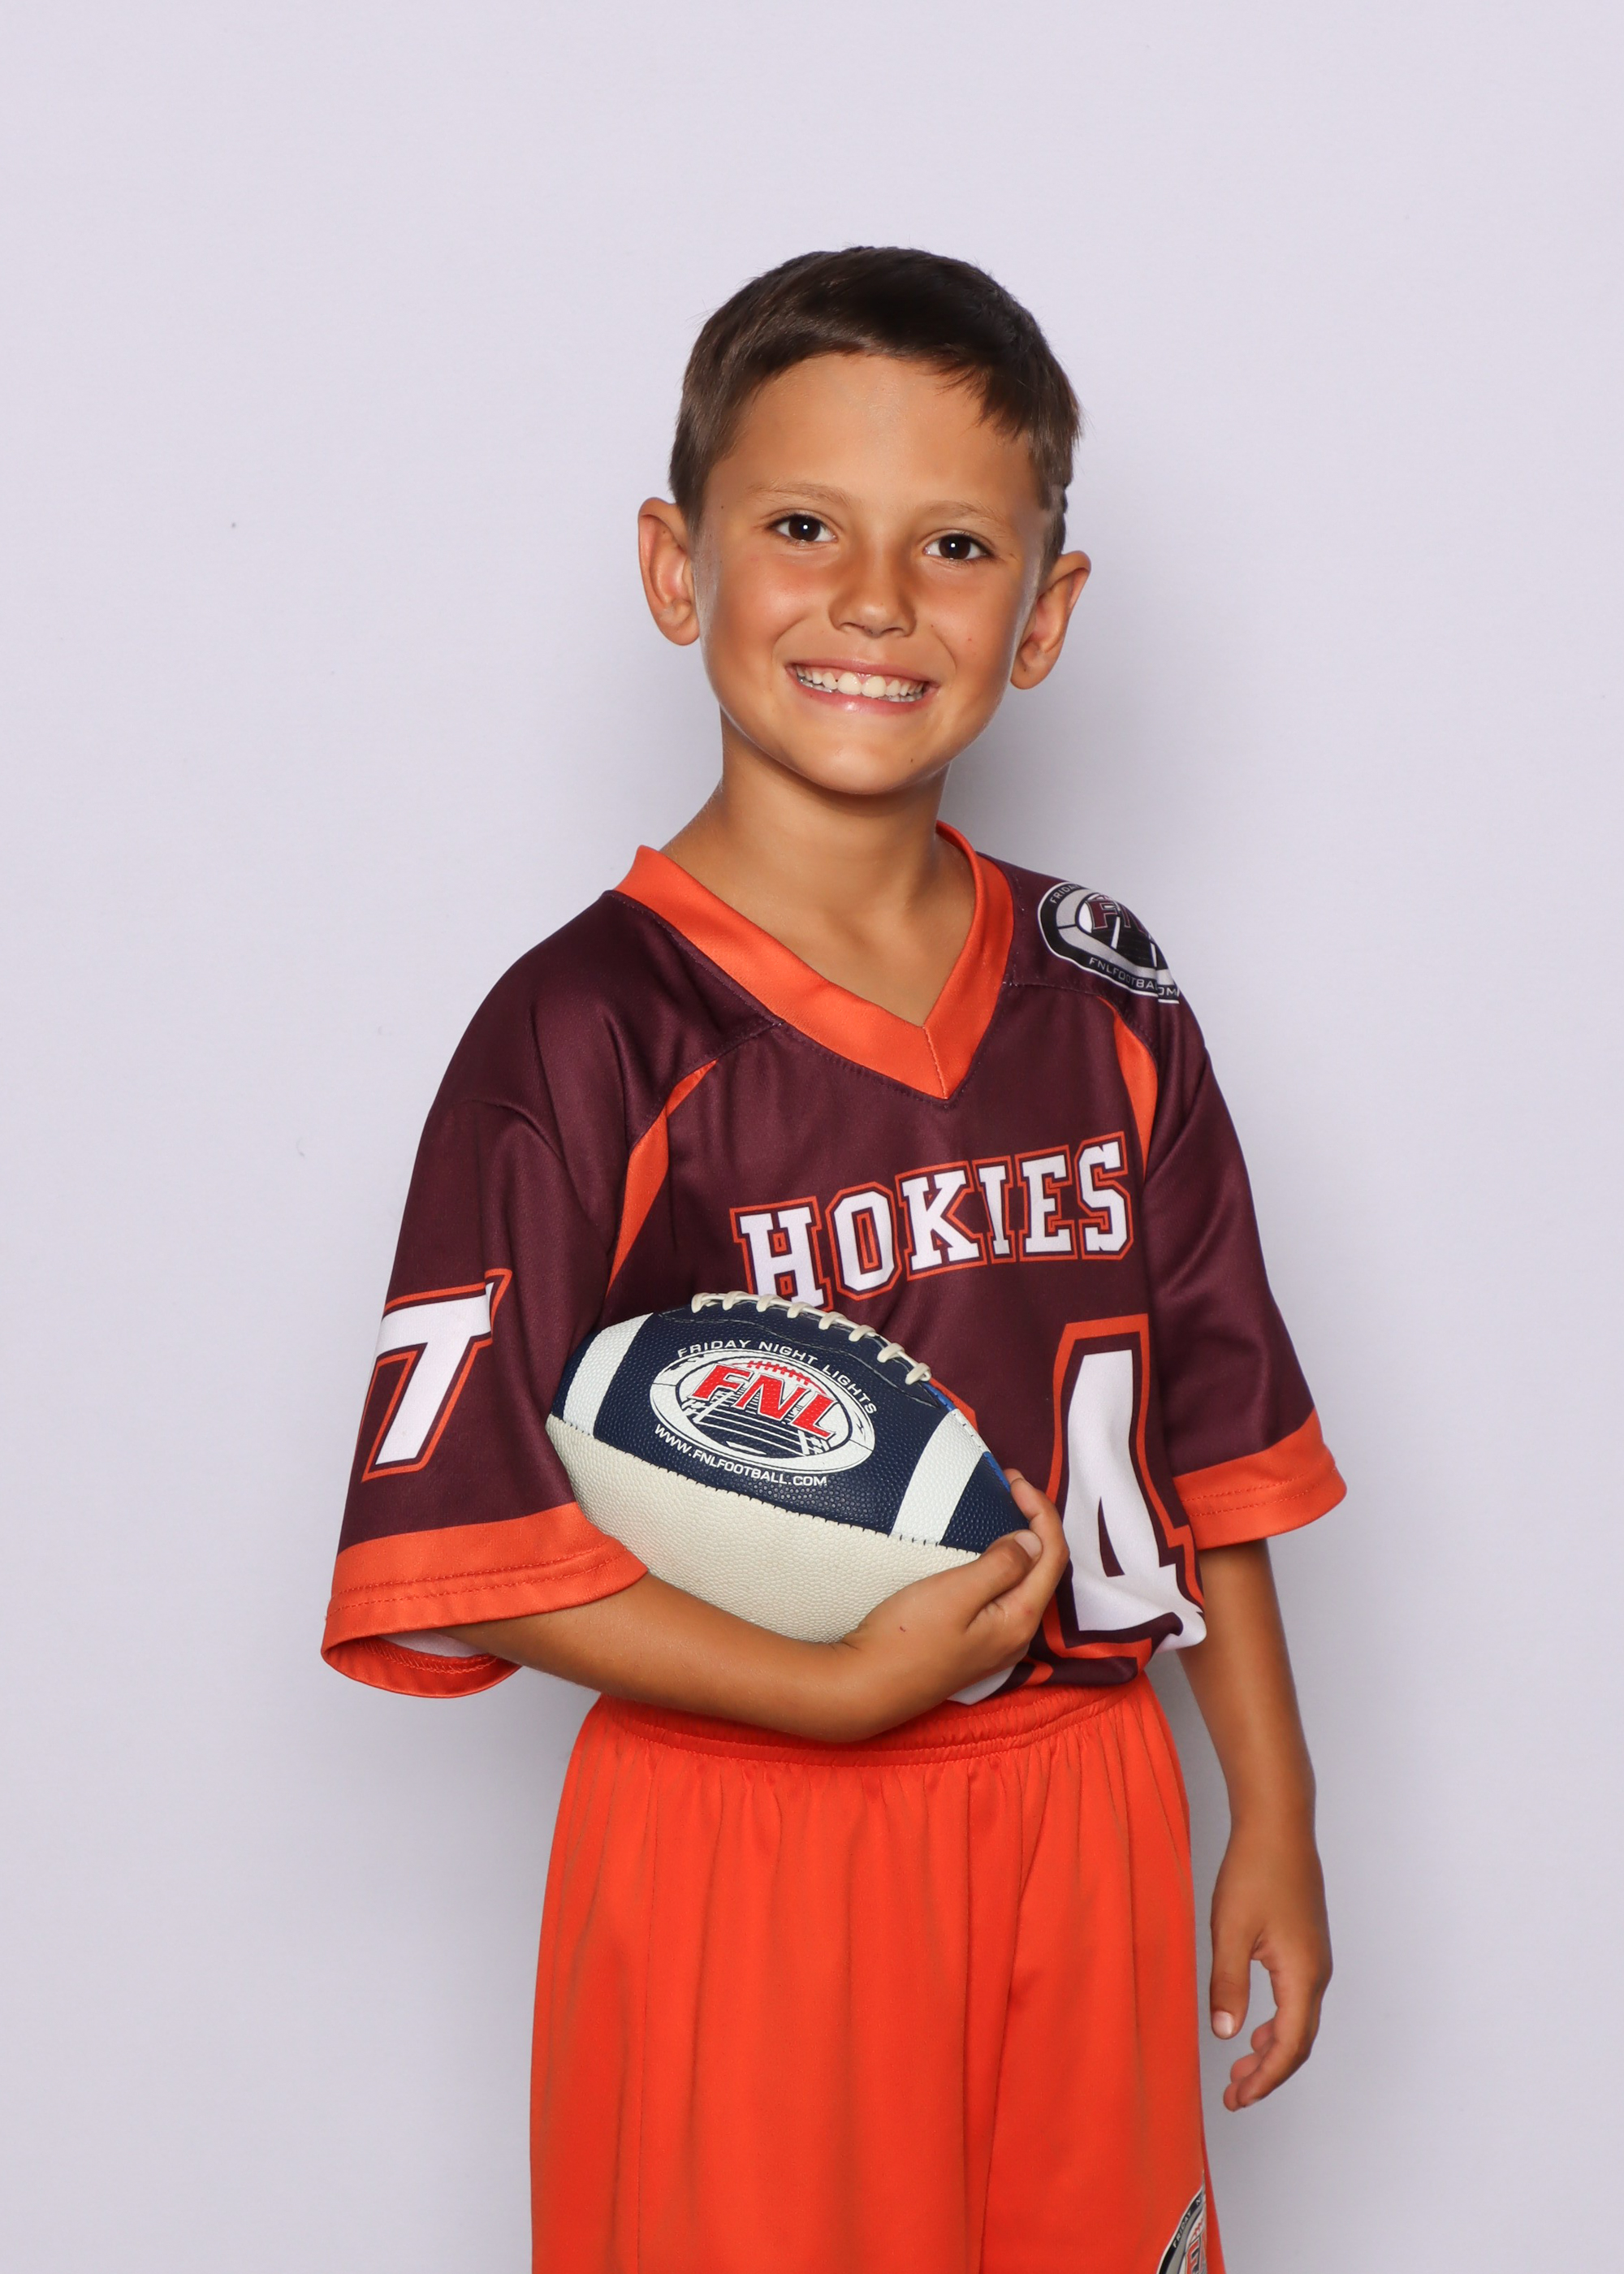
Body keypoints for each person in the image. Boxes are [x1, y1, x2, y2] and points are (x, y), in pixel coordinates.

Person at [322, 247, 1344, 2274]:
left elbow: (1211, 1444)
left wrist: (1275, 1810)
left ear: (1041, 612)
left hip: (1087, 1803)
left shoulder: (1106, 989)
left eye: (952, 544)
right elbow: (469, 1543)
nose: (874, 599)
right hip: (746, 1818)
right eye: (801, 525)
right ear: (674, 565)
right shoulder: (584, 1029)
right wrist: (828, 1683)